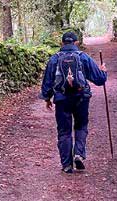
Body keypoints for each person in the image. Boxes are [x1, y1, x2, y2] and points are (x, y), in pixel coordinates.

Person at [40, 31, 108, 173]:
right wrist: (103, 71)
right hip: (81, 98)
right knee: (81, 126)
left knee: (64, 131)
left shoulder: (55, 59)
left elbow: (47, 81)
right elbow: (100, 80)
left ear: (62, 42)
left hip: (62, 99)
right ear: (76, 43)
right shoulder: (83, 57)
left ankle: (67, 165)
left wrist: (47, 98)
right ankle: (79, 154)